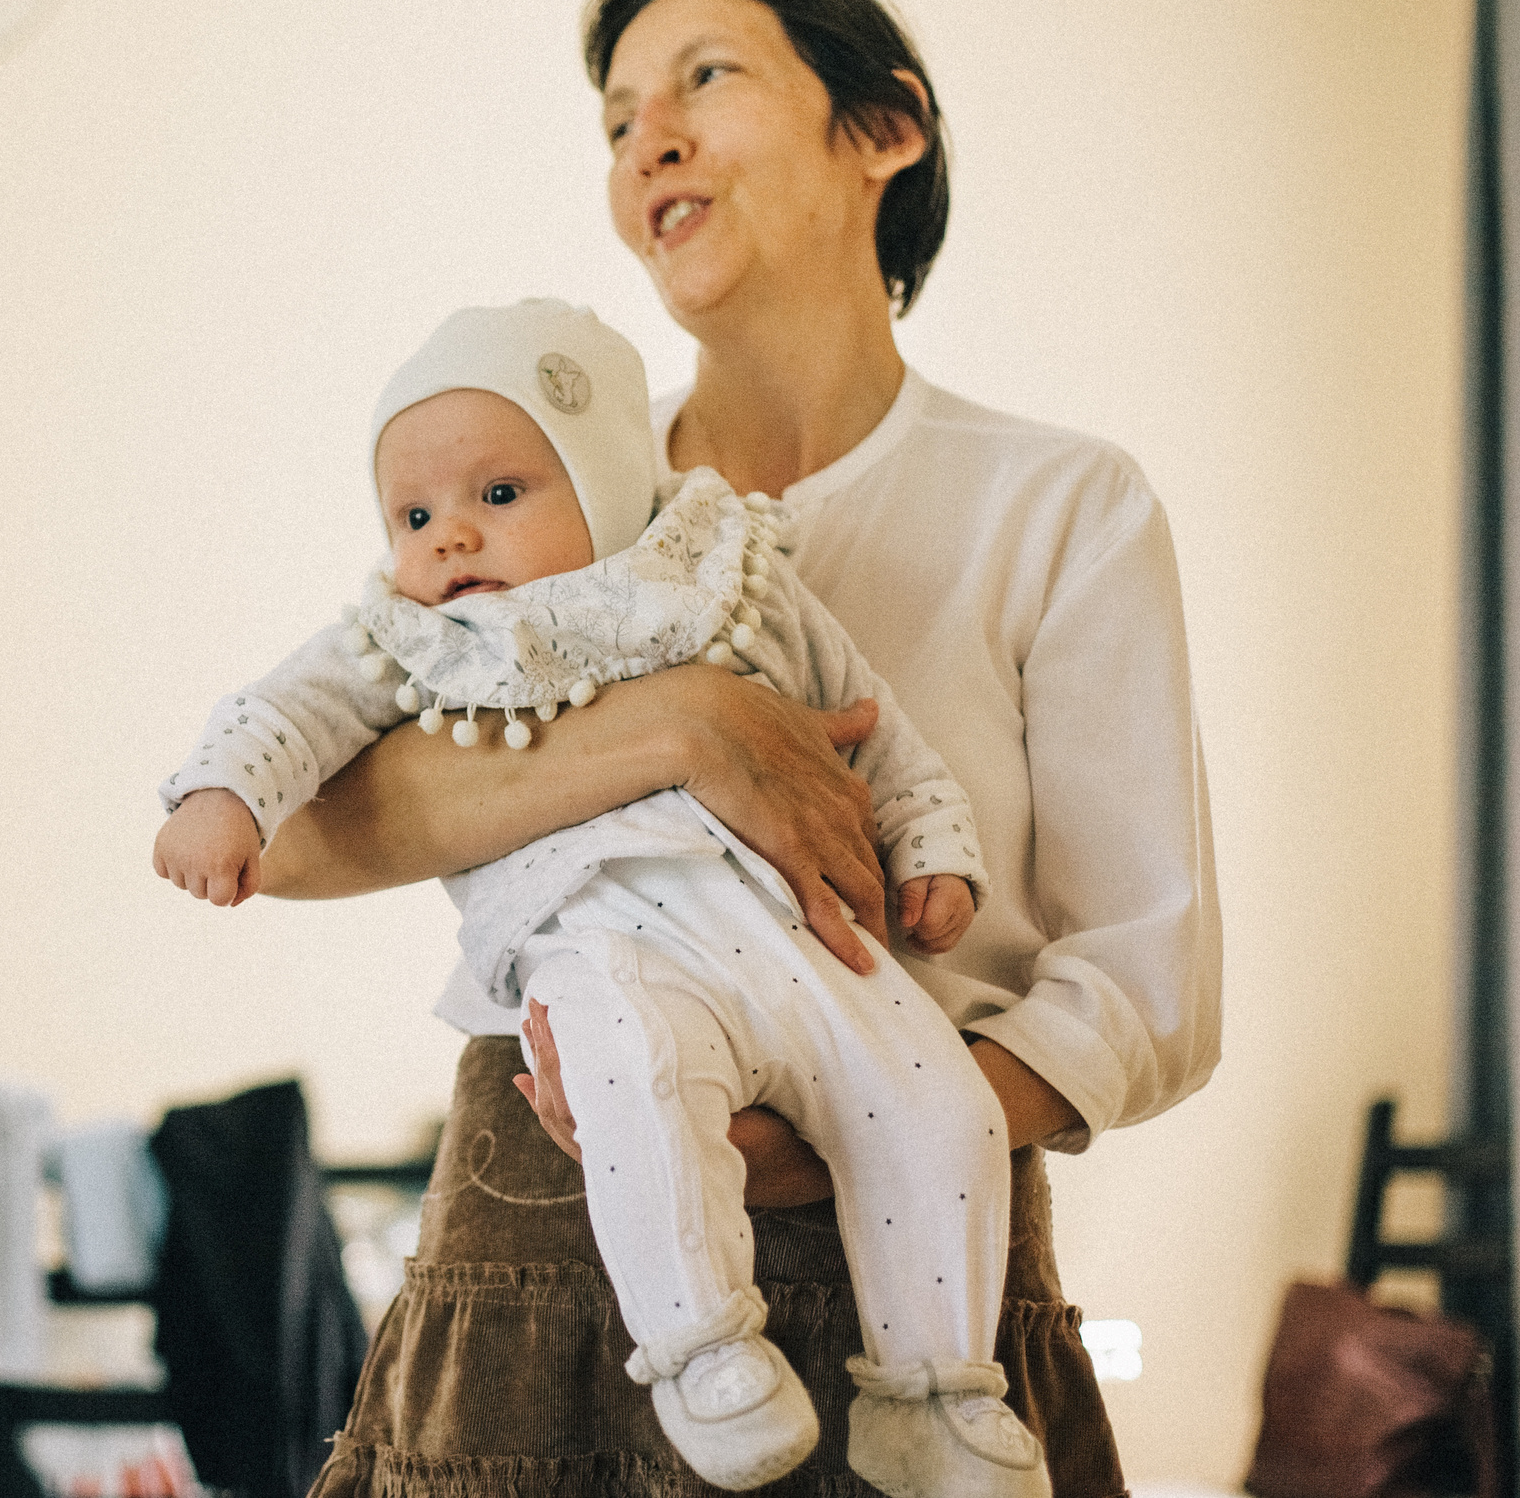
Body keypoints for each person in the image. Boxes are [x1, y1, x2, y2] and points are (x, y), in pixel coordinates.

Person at [246, 0, 1221, 1498]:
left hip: (927, 1269)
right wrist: (683, 729)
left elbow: (1147, 985)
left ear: (885, 127)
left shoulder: (1060, 505)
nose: (650, 142)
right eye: (620, 120)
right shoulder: (524, 498)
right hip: (537, 1227)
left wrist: (850, 1139)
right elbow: (291, 828)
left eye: (706, 76)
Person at [155, 298, 1036, 1493]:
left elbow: (874, 727)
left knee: (937, 1107)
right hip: (603, 940)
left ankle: (931, 1392)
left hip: (805, 937)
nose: (449, 538)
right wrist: (223, 795)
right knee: (634, 1085)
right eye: (412, 516)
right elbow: (288, 713)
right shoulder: (416, 640)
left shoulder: (728, 580)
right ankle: (701, 1350)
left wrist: (933, 848)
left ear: (609, 483)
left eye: (498, 495)